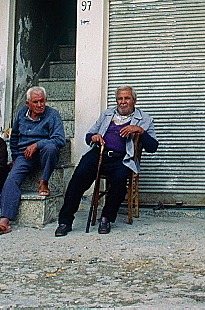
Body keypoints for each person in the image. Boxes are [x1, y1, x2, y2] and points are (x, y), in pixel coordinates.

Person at [55, 86, 158, 236]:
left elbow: (153, 147)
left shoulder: (145, 119)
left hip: (122, 158)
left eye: (127, 98)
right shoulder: (107, 114)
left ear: (134, 101)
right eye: (120, 98)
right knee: (78, 177)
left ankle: (106, 218)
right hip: (99, 154)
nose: (123, 102)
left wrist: (140, 131)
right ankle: (65, 221)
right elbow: (89, 134)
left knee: (119, 180)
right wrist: (93, 137)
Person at [0, 86, 66, 236]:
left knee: (50, 147)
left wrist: (37, 145)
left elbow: (60, 140)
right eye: (36, 102)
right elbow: (15, 137)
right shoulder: (21, 115)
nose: (39, 105)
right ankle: (4, 222)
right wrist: (16, 157)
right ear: (27, 103)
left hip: (44, 154)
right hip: (25, 155)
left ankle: (43, 183)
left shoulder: (53, 115)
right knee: (11, 180)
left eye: (42, 101)